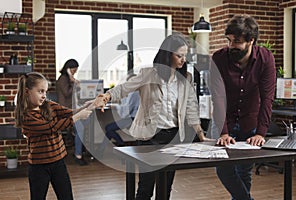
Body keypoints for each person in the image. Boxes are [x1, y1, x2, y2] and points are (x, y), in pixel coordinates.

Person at [95, 33, 207, 200]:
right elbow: (124, 88)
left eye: (185, 55)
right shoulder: (148, 74)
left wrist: (200, 133)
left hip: (173, 138)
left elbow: (191, 107)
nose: (183, 59)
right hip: (150, 137)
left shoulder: (186, 78)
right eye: (179, 55)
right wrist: (106, 96)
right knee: (146, 187)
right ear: (167, 54)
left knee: (166, 187)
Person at [211, 14, 276, 200]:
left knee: (244, 171)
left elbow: (267, 98)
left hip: (250, 122)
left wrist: (261, 133)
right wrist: (223, 132)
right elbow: (218, 98)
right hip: (225, 121)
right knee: (224, 170)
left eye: (237, 41)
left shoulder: (265, 59)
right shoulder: (219, 58)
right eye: (229, 40)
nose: (231, 45)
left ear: (251, 41)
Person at [14, 72, 92, 200]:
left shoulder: (48, 105)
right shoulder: (27, 116)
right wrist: (78, 117)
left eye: (45, 91)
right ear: (27, 92)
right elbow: (51, 128)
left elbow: (69, 112)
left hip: (58, 162)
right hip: (39, 167)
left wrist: (89, 105)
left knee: (66, 197)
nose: (44, 95)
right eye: (40, 91)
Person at [56, 59, 88, 165]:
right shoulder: (62, 79)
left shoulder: (68, 79)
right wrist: (73, 81)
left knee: (85, 125)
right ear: (68, 69)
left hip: (72, 110)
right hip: (65, 112)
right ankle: (78, 155)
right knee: (81, 129)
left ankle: (80, 150)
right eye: (73, 70)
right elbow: (66, 93)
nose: (75, 72)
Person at [103, 74, 140, 147]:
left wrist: (116, 106)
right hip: (133, 118)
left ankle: (122, 145)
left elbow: (127, 110)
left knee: (108, 128)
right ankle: (100, 151)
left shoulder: (135, 93)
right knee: (108, 130)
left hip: (133, 119)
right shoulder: (135, 92)